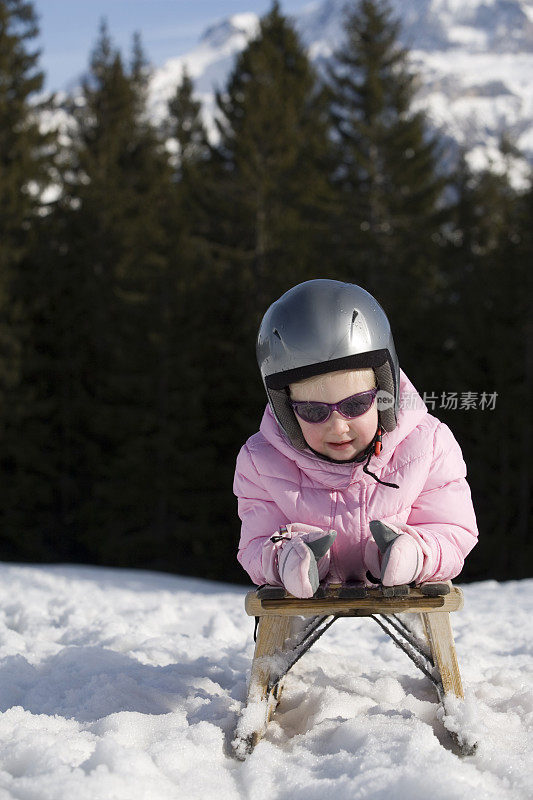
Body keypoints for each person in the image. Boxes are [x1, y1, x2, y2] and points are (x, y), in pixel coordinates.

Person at [234, 280, 478, 598]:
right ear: (286, 411)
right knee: (295, 561)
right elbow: (256, 542)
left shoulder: (427, 445)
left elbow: (452, 528)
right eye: (312, 411)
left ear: (384, 393)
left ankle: (392, 555)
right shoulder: (262, 461)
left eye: (355, 405)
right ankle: (306, 563)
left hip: (403, 568)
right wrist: (283, 558)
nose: (338, 427)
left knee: (406, 552)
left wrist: (416, 553)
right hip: (304, 581)